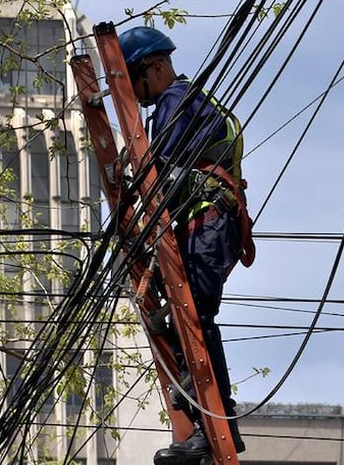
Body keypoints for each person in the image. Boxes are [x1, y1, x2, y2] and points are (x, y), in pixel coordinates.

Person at [118, 25, 254, 464]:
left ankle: (211, 423)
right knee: (183, 317)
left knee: (192, 316)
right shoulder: (180, 102)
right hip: (205, 222)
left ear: (155, 66)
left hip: (208, 221)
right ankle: (212, 422)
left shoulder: (178, 101)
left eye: (136, 81)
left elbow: (160, 172)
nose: (137, 97)